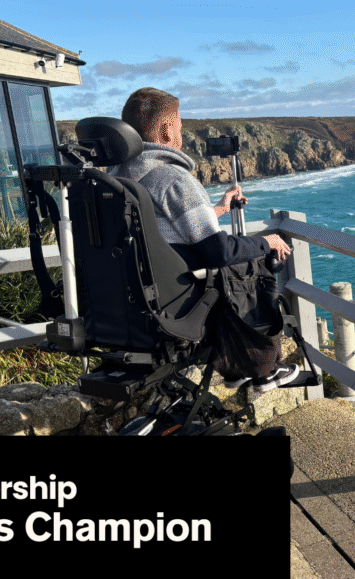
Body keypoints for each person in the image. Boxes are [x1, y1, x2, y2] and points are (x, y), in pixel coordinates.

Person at [109, 87, 297, 393]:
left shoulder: (116, 178)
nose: (181, 133)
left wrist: (220, 209)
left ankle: (237, 369)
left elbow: (163, 231)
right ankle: (261, 367)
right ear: (168, 129)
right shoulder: (173, 178)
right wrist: (268, 242)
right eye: (180, 126)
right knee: (250, 266)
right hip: (174, 303)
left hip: (127, 303)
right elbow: (220, 251)